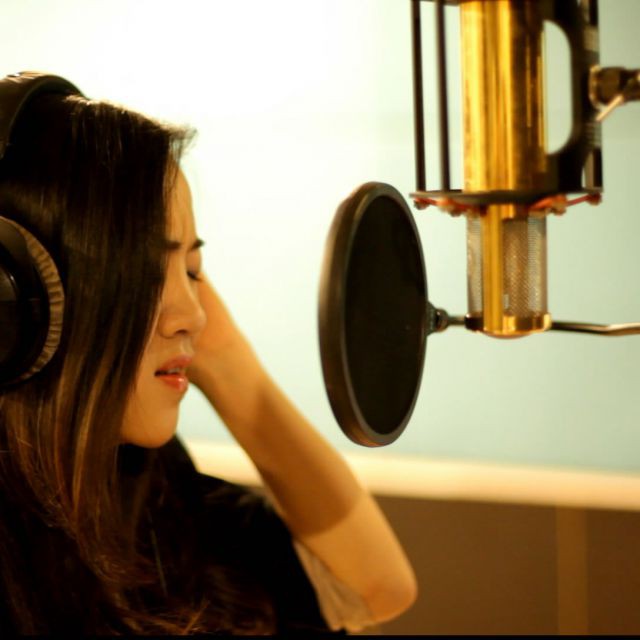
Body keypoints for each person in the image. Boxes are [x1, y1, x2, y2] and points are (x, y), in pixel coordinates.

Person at [0, 76, 417, 635]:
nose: (195, 315)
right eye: (149, 273)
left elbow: (374, 589)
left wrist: (227, 362)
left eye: (193, 271)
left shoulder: (144, 487)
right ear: (21, 296)